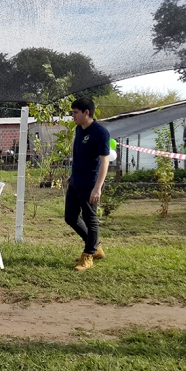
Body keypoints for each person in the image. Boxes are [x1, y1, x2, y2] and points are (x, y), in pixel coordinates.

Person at [65, 97, 110, 272]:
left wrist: (97, 187)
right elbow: (79, 156)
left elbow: (104, 161)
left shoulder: (100, 132)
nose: (73, 116)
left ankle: (89, 255)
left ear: (86, 112)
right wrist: (72, 175)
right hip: (76, 180)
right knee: (70, 217)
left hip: (90, 183)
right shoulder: (79, 129)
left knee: (90, 219)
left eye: (75, 113)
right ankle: (95, 247)